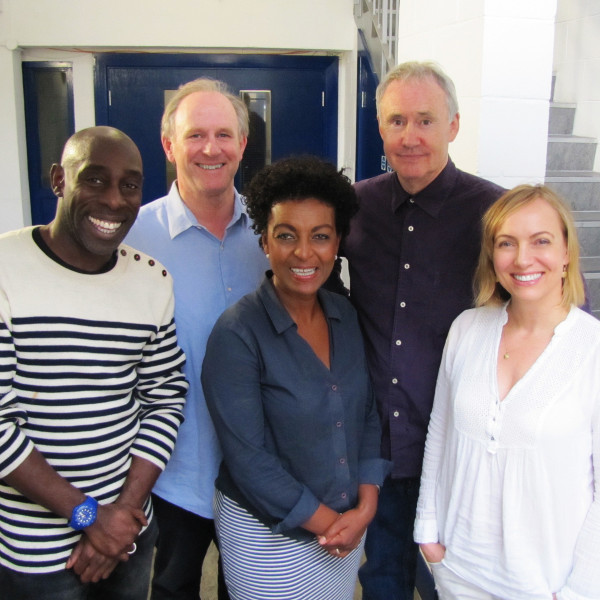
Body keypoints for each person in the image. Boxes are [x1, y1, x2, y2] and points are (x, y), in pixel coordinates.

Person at [340, 61, 506, 599]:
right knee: (382, 582)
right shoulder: (354, 207)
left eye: (426, 121)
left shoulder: (495, 213)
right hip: (378, 454)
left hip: (460, 456)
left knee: (450, 588)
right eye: (396, 121)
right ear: (381, 128)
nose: (410, 136)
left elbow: (564, 309)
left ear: (454, 125)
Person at [0, 126, 188, 600]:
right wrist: (88, 516)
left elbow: (165, 397)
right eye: (94, 179)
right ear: (58, 180)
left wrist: (120, 518)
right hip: (36, 552)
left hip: (127, 538)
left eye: (129, 185)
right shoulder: (5, 268)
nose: (114, 200)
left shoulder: (152, 281)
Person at [201, 156, 390, 600]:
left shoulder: (344, 315)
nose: (304, 253)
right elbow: (250, 461)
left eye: (320, 237)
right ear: (265, 241)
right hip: (269, 538)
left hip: (344, 529)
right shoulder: (238, 333)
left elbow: (365, 414)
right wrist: (333, 525)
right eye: (287, 236)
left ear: (338, 241)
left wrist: (366, 504)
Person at [414, 184, 599, 600]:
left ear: (567, 253)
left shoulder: (593, 350)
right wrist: (428, 536)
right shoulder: (467, 328)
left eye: (541, 241)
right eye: (506, 243)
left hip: (546, 586)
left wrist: (579, 591)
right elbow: (440, 435)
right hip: (458, 572)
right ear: (492, 257)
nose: (522, 258)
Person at [126, 78, 268, 600]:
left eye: (224, 134)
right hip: (167, 474)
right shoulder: (131, 239)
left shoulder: (271, 235)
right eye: (195, 135)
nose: (212, 149)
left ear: (242, 144)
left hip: (256, 476)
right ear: (169, 145)